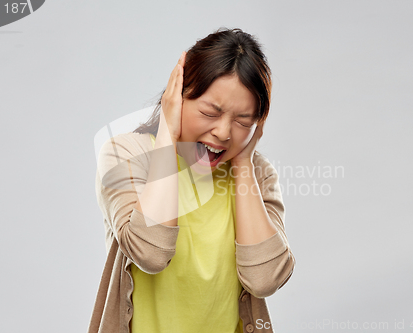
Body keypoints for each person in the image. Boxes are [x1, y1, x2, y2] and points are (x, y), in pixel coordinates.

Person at [88, 27, 295, 333]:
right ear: (179, 96)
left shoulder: (258, 175)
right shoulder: (125, 154)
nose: (224, 133)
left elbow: (264, 280)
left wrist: (242, 163)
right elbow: (151, 254)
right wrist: (168, 135)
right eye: (211, 112)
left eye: (242, 121)